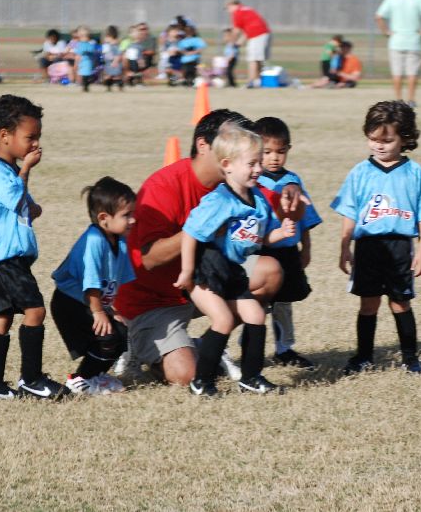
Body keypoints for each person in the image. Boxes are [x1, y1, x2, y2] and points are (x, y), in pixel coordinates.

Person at [113, 109, 306, 386]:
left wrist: (293, 196)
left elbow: (288, 212)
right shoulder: (163, 186)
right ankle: (133, 341)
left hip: (208, 280)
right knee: (187, 375)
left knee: (270, 271)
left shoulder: (239, 181)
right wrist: (202, 229)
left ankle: (212, 343)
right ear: (204, 145)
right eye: (233, 141)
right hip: (155, 298)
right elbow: (148, 259)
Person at [175, 125, 296, 396]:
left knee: (255, 315)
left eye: (259, 162)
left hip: (234, 272)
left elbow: (261, 238)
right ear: (227, 165)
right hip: (207, 272)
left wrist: (281, 233)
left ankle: (250, 378)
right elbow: (191, 232)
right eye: (251, 163)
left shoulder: (258, 199)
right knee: (223, 320)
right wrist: (187, 270)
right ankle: (201, 382)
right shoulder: (219, 200)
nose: (258, 169)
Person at [331, 100, 421, 375]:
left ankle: (410, 359)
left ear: (404, 138)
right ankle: (363, 357)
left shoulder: (415, 173)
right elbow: (349, 211)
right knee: (368, 304)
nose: (379, 146)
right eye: (373, 139)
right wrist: (345, 246)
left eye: (387, 140)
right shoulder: (360, 172)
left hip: (399, 247)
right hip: (367, 247)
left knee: (400, 302)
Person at [0, 95, 67, 401]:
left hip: (0, 257)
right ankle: (31, 379)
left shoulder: (5, 171)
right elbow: (17, 200)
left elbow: (26, 206)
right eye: (30, 137)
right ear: (5, 136)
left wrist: (30, 203)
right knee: (35, 310)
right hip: (3, 257)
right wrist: (26, 169)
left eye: (38, 137)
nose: (35, 144)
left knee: (3, 317)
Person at [51, 177, 137, 395]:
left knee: (120, 333)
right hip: (70, 303)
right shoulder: (94, 240)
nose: (133, 219)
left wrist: (111, 310)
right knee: (107, 337)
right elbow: (91, 283)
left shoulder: (120, 240)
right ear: (104, 218)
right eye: (127, 215)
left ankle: (97, 376)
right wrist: (99, 312)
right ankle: (80, 380)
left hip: (92, 302)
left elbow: (115, 279)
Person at [254, 117, 322, 370]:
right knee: (256, 303)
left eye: (280, 152)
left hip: (288, 252)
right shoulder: (252, 180)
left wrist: (306, 248)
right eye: (267, 152)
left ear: (288, 150)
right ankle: (251, 347)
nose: (274, 158)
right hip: (260, 252)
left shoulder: (293, 181)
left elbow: (304, 218)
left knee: (284, 303)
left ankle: (284, 349)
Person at [375, 0, 421, 107]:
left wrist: (386, 31)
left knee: (397, 72)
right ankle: (411, 100)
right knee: (412, 72)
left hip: (396, 40)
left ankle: (398, 100)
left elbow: (379, 16)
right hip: (413, 40)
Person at [226, 0, 271, 88]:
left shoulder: (238, 12)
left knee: (252, 59)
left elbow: (236, 31)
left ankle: (251, 82)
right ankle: (258, 81)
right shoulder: (246, 10)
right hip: (263, 33)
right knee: (258, 59)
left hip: (257, 35)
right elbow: (248, 29)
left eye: (228, 8)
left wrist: (231, 42)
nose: (228, 10)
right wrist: (239, 43)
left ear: (233, 5)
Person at [69, 26, 98, 93]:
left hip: (88, 63)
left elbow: (93, 53)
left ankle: (86, 85)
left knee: (87, 75)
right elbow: (78, 55)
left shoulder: (90, 44)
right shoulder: (79, 45)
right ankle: (84, 86)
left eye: (86, 36)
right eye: (82, 36)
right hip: (82, 63)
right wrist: (76, 64)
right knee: (84, 75)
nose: (85, 38)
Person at [100, 25, 125, 92]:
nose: (105, 39)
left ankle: (120, 87)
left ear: (111, 37)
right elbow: (105, 53)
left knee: (116, 76)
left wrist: (115, 62)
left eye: (107, 37)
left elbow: (118, 55)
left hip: (114, 63)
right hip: (108, 63)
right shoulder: (107, 45)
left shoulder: (115, 46)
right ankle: (108, 87)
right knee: (108, 76)